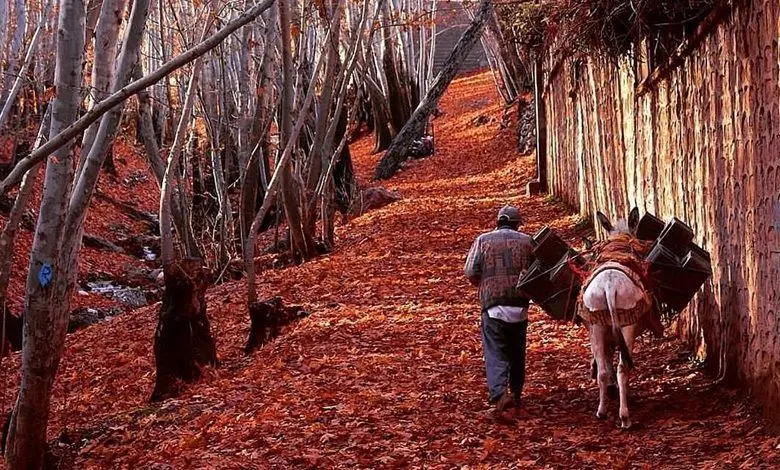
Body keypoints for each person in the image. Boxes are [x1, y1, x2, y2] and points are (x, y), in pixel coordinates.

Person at [464, 205, 534, 416]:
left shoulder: (482, 241)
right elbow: (536, 271)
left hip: (493, 306)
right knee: (517, 352)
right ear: (516, 224)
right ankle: (516, 392)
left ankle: (499, 393)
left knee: (495, 352)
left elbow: (470, 271)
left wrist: (483, 283)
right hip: (519, 307)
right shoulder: (527, 241)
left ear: (498, 222)